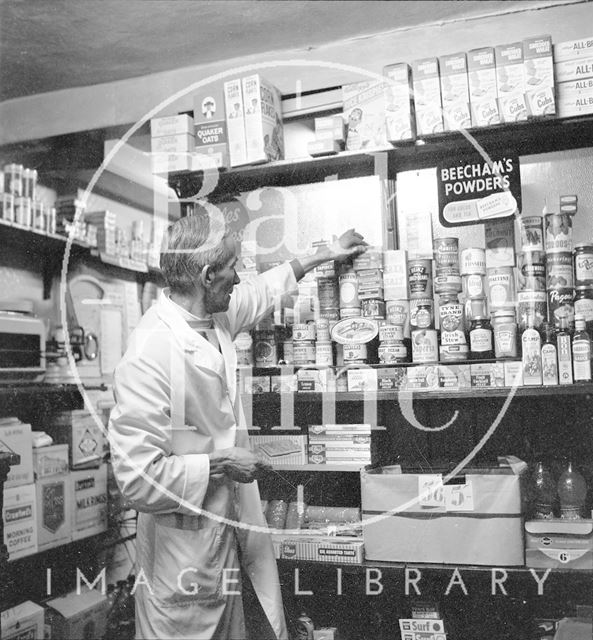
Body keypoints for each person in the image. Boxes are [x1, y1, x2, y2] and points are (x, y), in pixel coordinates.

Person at [108, 211, 367, 640]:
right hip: (183, 558)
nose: (240, 276)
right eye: (233, 268)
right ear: (208, 276)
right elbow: (136, 479)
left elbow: (263, 290)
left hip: (227, 535)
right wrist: (221, 463)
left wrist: (326, 254)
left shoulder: (215, 315)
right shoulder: (149, 354)